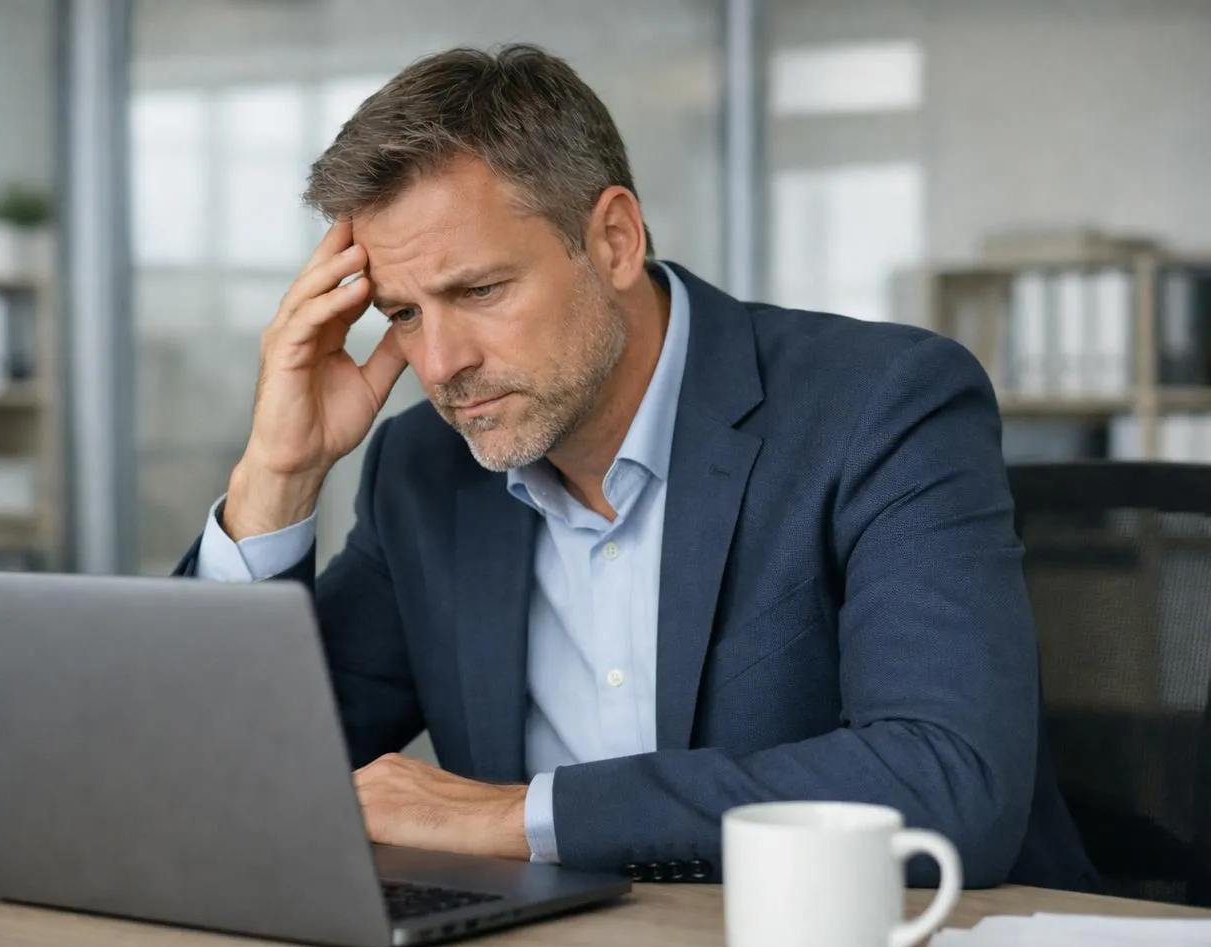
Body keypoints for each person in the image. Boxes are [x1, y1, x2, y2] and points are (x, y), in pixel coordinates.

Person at [174, 44, 1097, 890]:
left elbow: (946, 782)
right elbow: (225, 775)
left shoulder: (881, 404)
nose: (441, 362)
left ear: (614, 239)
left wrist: (519, 817)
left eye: (480, 290)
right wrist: (279, 472)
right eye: (404, 314)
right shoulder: (426, 470)